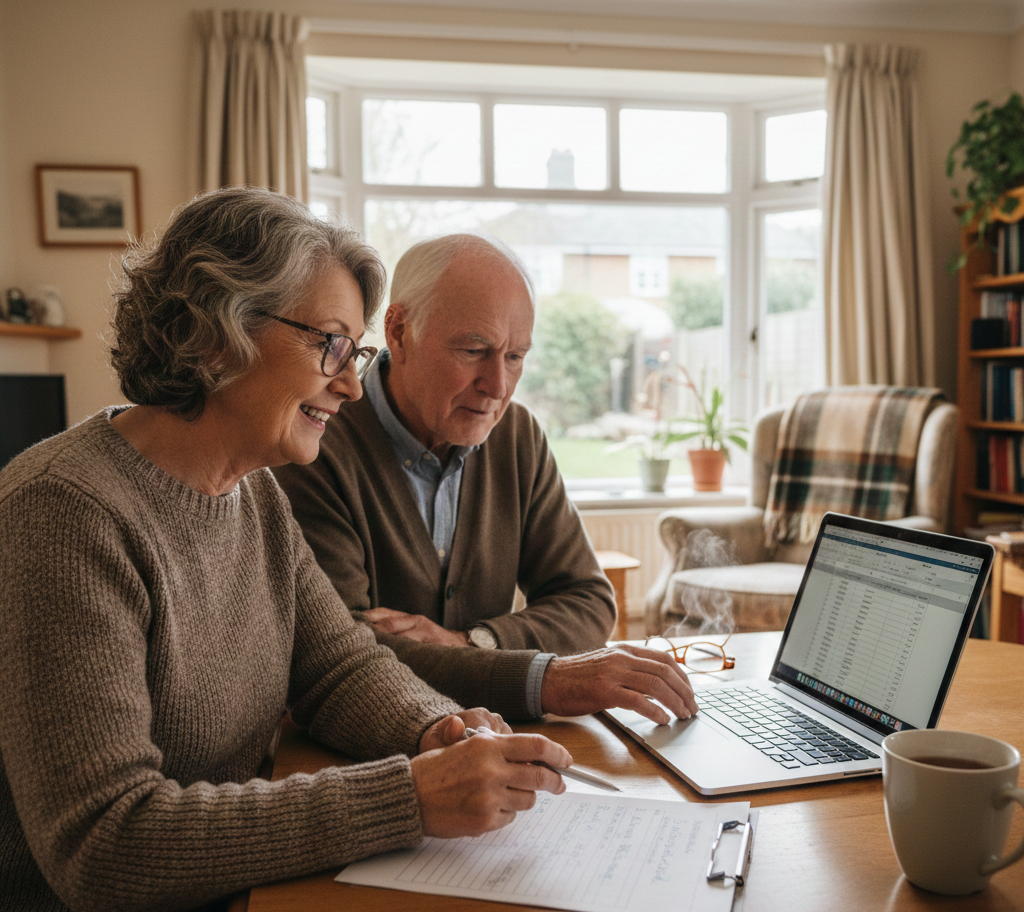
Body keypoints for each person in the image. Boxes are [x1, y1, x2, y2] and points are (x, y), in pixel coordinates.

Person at [0, 188, 575, 912]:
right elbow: (106, 844)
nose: (351, 385)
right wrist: (405, 796)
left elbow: (337, 667)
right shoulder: (65, 512)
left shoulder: (255, 495)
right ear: (217, 331)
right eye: (331, 343)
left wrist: (437, 726)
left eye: (356, 352)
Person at [274, 234, 699, 724]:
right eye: (475, 350)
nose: (497, 387)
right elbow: (340, 654)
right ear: (399, 329)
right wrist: (541, 679)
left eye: (515, 357)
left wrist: (473, 642)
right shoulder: (315, 439)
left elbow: (587, 601)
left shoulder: (516, 436)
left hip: (500, 745)